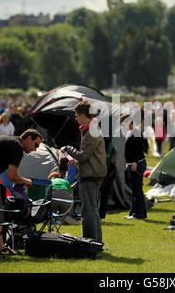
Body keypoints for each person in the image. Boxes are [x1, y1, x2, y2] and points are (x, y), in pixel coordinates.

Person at [61, 101, 106, 243]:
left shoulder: (92, 130)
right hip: (91, 172)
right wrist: (76, 160)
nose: (75, 118)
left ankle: (89, 243)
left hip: (91, 175)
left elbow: (83, 155)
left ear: (82, 115)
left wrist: (68, 149)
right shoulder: (88, 128)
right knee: (92, 210)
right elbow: (85, 156)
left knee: (88, 212)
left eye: (76, 115)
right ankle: (96, 242)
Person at [121, 113, 147, 220]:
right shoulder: (131, 132)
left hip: (137, 164)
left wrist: (135, 162)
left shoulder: (136, 132)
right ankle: (133, 212)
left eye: (123, 123)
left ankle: (140, 214)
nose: (122, 126)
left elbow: (139, 149)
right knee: (134, 189)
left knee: (137, 190)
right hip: (132, 164)